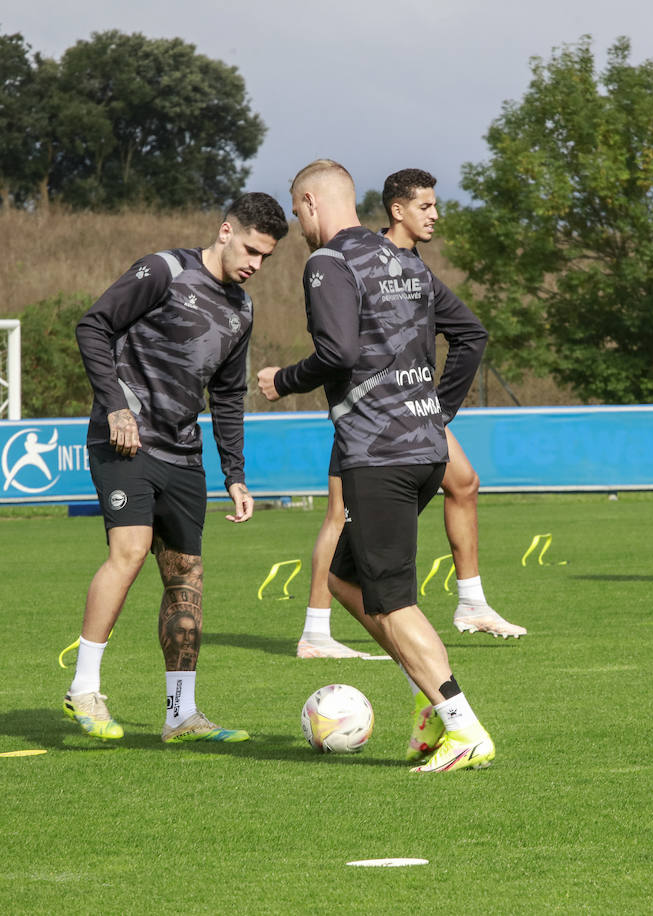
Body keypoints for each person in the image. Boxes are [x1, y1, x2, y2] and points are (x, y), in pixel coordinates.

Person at [258, 159, 494, 773]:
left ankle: (462, 727)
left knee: (390, 599)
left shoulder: (328, 263)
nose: (296, 222)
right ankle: (428, 694)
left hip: (379, 455)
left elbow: (336, 353)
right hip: (423, 450)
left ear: (310, 202)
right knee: (345, 577)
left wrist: (283, 381)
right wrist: (435, 413)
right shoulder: (404, 259)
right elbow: (470, 334)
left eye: (294, 208)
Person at [63, 192, 289, 742]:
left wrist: (235, 474)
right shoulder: (164, 270)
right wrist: (115, 405)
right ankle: (83, 691)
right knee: (131, 550)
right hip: (127, 443)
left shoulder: (242, 310)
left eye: (266, 258)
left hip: (184, 455)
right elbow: (93, 326)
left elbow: (230, 398)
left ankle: (180, 714)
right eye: (252, 251)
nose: (255, 265)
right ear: (225, 230)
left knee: (185, 579)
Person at [296, 168, 525, 662]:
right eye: (426, 206)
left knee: (463, 481)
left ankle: (471, 602)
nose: (436, 215)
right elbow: (341, 350)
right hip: (372, 416)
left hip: (408, 414)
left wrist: (437, 410)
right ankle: (316, 630)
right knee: (340, 515)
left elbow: (469, 333)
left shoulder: (410, 263)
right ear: (397, 211)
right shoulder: (352, 259)